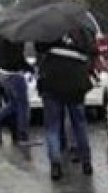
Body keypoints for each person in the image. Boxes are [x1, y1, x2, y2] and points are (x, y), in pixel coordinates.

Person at [36, 28, 95, 180]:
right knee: (79, 124)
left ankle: (55, 165)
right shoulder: (81, 30)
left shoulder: (47, 30)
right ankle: (86, 162)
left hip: (51, 81)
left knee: (52, 127)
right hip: (75, 81)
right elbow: (91, 50)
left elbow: (39, 49)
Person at [0, 33, 32, 146]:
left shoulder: (1, 37)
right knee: (22, 105)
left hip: (3, 73)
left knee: (13, 104)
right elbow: (17, 59)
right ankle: (22, 136)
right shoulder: (13, 39)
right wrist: (29, 68)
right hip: (14, 75)